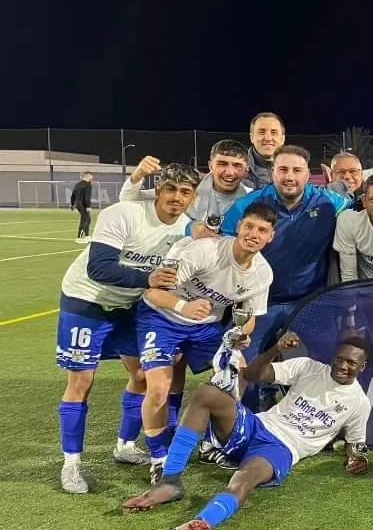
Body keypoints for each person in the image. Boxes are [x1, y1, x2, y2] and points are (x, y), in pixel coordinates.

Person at [122, 331, 373, 530]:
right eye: (339, 359)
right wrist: (274, 349)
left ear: (362, 367)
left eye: (351, 363)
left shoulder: (359, 403)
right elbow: (252, 374)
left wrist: (356, 458)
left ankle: (201, 523)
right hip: (256, 425)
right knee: (207, 393)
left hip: (280, 449)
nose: (343, 366)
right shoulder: (308, 367)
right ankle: (170, 481)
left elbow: (355, 443)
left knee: (243, 481)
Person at [54, 163, 199, 493]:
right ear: (158, 190)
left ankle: (125, 445)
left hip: (132, 305)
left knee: (142, 376)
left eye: (185, 192)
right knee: (82, 380)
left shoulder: (188, 229)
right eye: (171, 189)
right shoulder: (125, 213)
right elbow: (99, 267)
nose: (176, 198)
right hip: (87, 299)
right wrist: (147, 279)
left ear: (193, 197)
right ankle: (71, 464)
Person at [134, 202, 276, 482]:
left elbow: (249, 316)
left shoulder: (263, 273)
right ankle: (159, 457)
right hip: (162, 317)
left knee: (239, 374)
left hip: (205, 327)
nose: (253, 234)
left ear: (271, 237)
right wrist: (182, 306)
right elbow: (152, 293)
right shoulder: (205, 251)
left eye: (262, 230)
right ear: (239, 227)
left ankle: (212, 443)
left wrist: (241, 334)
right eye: (249, 226)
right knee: (159, 388)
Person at [219, 144, 350, 408]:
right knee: (245, 363)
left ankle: (315, 418)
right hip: (259, 302)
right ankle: (246, 420)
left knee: (323, 360)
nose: (289, 176)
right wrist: (193, 228)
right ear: (272, 172)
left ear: (307, 174)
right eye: (283, 169)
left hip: (309, 301)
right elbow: (219, 241)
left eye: (297, 170)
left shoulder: (329, 202)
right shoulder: (248, 204)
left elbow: (361, 210)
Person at [120, 139, 253, 229]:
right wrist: (137, 176)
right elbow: (128, 198)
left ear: (246, 170)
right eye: (222, 164)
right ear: (210, 165)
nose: (229, 172)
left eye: (237, 166)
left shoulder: (251, 198)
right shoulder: (187, 189)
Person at [244, 112, 286, 189]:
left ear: (283, 139)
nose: (268, 138)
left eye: (274, 133)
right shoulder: (238, 170)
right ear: (252, 137)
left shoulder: (296, 170)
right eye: (261, 132)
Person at [70, 171, 94, 242]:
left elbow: (73, 195)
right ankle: (79, 238)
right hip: (83, 204)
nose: (92, 178)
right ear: (88, 176)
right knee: (85, 220)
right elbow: (87, 197)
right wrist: (88, 206)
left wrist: (72, 204)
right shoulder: (88, 184)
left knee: (88, 219)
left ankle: (87, 236)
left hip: (77, 204)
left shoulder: (77, 184)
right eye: (91, 176)